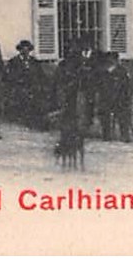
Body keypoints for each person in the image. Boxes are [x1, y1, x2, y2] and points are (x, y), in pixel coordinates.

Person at [54, 36, 97, 167]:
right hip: (70, 94)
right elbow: (62, 79)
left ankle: (83, 130)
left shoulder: (89, 61)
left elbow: (93, 77)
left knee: (84, 113)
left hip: (84, 93)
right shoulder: (67, 63)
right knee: (70, 116)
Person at [3, 39, 49, 129]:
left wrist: (43, 85)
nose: (25, 51)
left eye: (27, 50)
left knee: (38, 97)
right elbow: (8, 76)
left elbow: (41, 75)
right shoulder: (13, 61)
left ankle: (36, 120)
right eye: (23, 49)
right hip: (18, 87)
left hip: (33, 87)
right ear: (19, 50)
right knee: (24, 96)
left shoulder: (34, 61)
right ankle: (25, 119)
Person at [93, 51, 133, 143]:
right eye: (108, 60)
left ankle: (125, 135)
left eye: (113, 60)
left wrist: (126, 98)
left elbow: (127, 87)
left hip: (120, 99)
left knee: (123, 114)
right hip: (106, 99)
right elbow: (98, 86)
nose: (110, 62)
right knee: (104, 113)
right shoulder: (102, 72)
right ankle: (106, 135)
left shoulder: (122, 72)